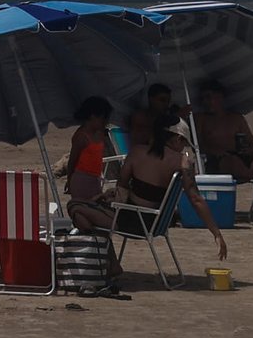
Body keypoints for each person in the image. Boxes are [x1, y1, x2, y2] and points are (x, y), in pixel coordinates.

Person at [114, 125, 229, 262]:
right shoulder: (182, 161)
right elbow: (196, 199)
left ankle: (108, 267)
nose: (183, 149)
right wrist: (216, 234)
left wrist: (113, 203)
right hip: (157, 223)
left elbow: (122, 185)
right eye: (184, 144)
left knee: (83, 210)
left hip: (130, 221)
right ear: (177, 139)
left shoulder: (137, 152)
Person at [191, 80, 253, 218]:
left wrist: (248, 150)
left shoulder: (236, 118)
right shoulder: (200, 119)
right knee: (229, 161)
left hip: (240, 157)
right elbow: (198, 146)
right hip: (216, 160)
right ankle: (251, 173)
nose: (206, 102)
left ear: (220, 97)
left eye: (209, 97)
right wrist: (216, 151)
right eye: (203, 98)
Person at [58, 96, 117, 231]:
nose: (105, 122)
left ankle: (92, 234)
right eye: (102, 118)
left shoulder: (100, 133)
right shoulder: (81, 136)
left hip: (95, 178)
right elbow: (72, 161)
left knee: (95, 208)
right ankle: (88, 234)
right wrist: (69, 179)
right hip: (81, 179)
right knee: (83, 209)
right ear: (92, 116)